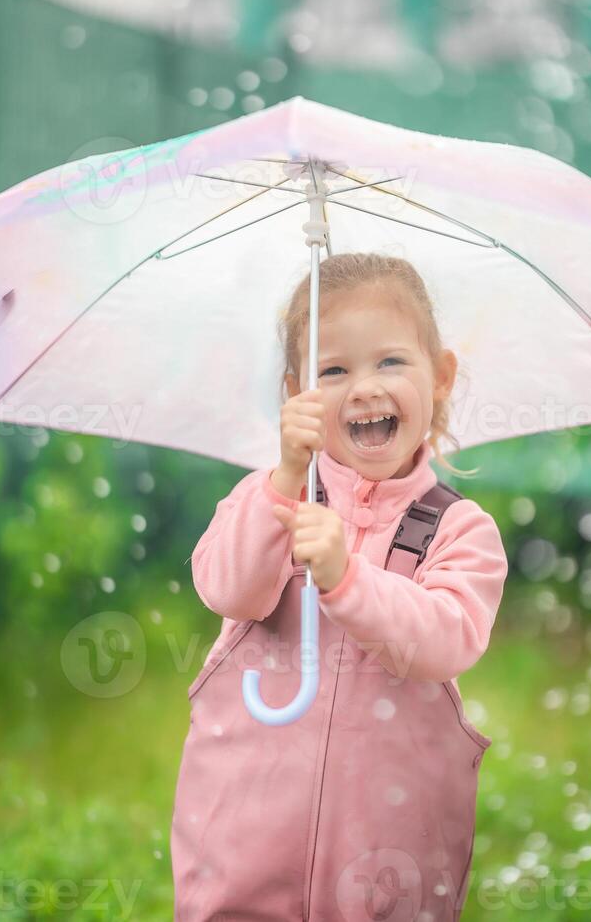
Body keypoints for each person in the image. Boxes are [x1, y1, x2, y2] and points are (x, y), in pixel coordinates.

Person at [170, 252, 509, 921]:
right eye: (333, 371)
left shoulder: (457, 529)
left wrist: (349, 580)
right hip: (243, 839)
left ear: (440, 376)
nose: (363, 388)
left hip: (389, 858)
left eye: (390, 362)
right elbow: (228, 590)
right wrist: (284, 480)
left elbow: (445, 640)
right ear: (296, 394)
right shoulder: (269, 498)